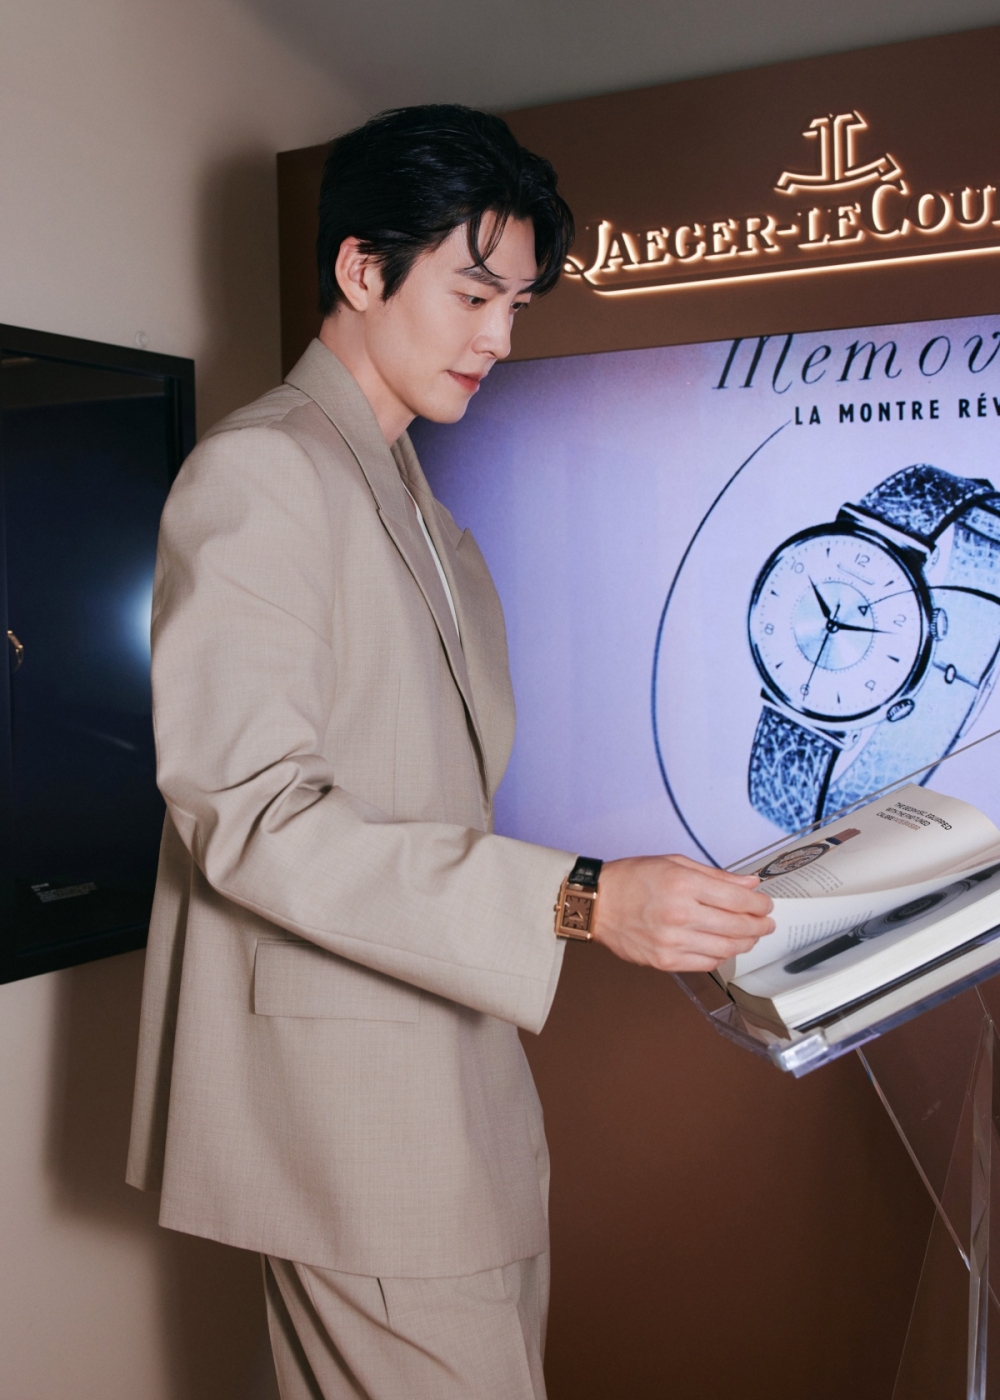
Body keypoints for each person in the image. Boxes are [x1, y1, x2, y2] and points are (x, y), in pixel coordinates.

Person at [127, 105, 773, 1400]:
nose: (500, 338)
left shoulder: (423, 509)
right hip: (352, 1123)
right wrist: (585, 897)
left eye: (517, 303)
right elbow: (250, 815)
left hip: (462, 1095)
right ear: (362, 270)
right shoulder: (261, 472)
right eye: (474, 294)